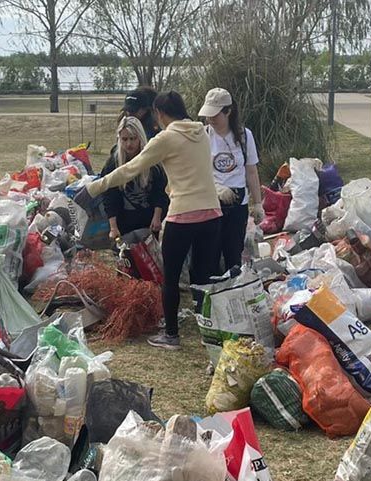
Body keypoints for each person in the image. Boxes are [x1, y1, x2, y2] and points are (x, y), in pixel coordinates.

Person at [74, 92, 221, 351]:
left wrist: (95, 187)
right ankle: (209, 332)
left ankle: (172, 336)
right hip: (211, 214)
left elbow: (132, 168)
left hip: (183, 215)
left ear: (161, 114)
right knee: (203, 277)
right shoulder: (203, 133)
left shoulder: (166, 138)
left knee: (170, 278)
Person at [198, 87, 263, 273]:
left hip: (238, 204)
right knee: (209, 253)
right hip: (212, 202)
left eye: (215, 115)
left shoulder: (244, 136)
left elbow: (251, 171)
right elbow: (198, 171)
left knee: (233, 253)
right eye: (208, 115)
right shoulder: (202, 135)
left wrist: (258, 204)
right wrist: (217, 188)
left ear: (228, 111)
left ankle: (232, 287)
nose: (210, 119)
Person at [99, 116, 168, 239]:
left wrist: (157, 217)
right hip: (125, 221)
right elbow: (109, 196)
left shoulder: (152, 161)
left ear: (140, 138)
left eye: (133, 139)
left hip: (150, 219)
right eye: (124, 139)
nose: (129, 144)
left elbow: (160, 191)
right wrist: (113, 227)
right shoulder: (113, 163)